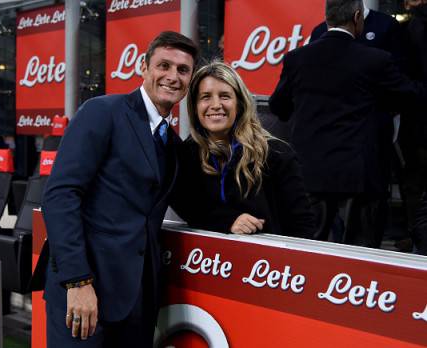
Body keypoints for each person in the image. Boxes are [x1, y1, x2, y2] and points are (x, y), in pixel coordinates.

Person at [41, 31, 198, 347]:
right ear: (144, 67)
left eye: (182, 70)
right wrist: (78, 282)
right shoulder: (103, 111)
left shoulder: (173, 144)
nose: (172, 76)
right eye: (163, 65)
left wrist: (235, 221)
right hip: (85, 292)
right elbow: (60, 195)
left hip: (137, 300)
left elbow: (192, 206)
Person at [269, 0, 427, 248]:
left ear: (327, 18)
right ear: (357, 17)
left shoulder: (296, 58)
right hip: (360, 176)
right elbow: (410, 95)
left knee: (308, 253)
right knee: (360, 260)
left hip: (310, 172)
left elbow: (279, 106)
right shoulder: (375, 60)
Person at [171, 61, 315, 238]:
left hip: (267, 262)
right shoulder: (187, 153)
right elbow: (188, 207)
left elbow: (301, 225)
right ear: (195, 107)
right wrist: (228, 221)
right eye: (205, 97)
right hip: (208, 262)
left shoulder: (277, 153)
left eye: (225, 96)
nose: (215, 105)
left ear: (239, 103)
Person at [397, 0, 427, 250]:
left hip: (418, 118)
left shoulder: (414, 27)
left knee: (415, 180)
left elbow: (405, 73)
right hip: (417, 116)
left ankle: (417, 235)